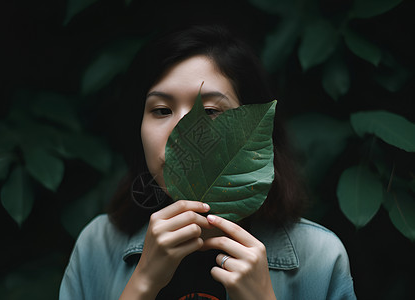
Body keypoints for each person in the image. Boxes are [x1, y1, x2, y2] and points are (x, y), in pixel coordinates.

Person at [59, 23, 357, 300]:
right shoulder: (97, 246)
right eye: (162, 110)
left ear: (252, 131)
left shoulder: (319, 257)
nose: (183, 135)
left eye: (211, 111)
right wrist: (143, 283)